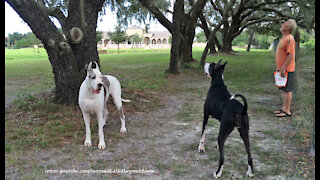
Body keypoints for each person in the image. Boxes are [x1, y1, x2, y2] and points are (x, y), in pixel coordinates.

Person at [274, 19, 297, 117]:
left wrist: (283, 67)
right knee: (283, 90)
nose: (283, 24)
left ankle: (287, 111)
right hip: (282, 69)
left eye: (286, 23)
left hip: (288, 69)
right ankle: (283, 108)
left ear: (289, 28)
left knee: (288, 90)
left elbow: (290, 55)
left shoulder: (290, 39)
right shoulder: (283, 38)